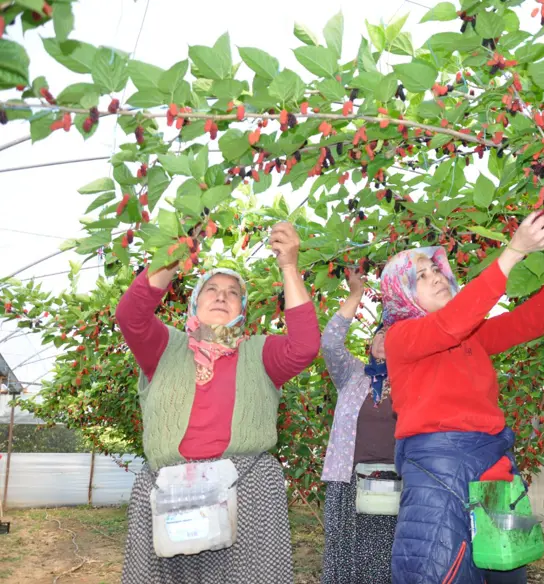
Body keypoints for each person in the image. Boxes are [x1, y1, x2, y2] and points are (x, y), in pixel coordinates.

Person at [380, 211, 544, 584]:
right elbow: (454, 321)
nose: (436, 277)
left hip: (493, 469)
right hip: (440, 471)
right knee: (444, 573)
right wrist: (514, 251)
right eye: (421, 276)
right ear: (400, 293)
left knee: (508, 570)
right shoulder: (401, 337)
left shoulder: (470, 336)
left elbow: (527, 322)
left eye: (436, 271)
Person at [117, 222, 320, 584]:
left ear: (244, 307)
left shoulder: (260, 352)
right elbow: (131, 317)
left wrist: (289, 266)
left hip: (247, 488)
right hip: (169, 492)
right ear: (195, 301)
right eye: (211, 289)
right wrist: (175, 254)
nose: (222, 296)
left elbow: (304, 346)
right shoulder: (165, 347)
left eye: (233, 293)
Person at [320, 267, 397, 584]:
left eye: (394, 335)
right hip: (348, 480)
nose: (384, 338)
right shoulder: (353, 374)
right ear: (370, 341)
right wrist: (355, 295)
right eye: (381, 332)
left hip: (396, 482)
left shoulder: (413, 380)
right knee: (346, 558)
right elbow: (330, 344)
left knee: (387, 558)